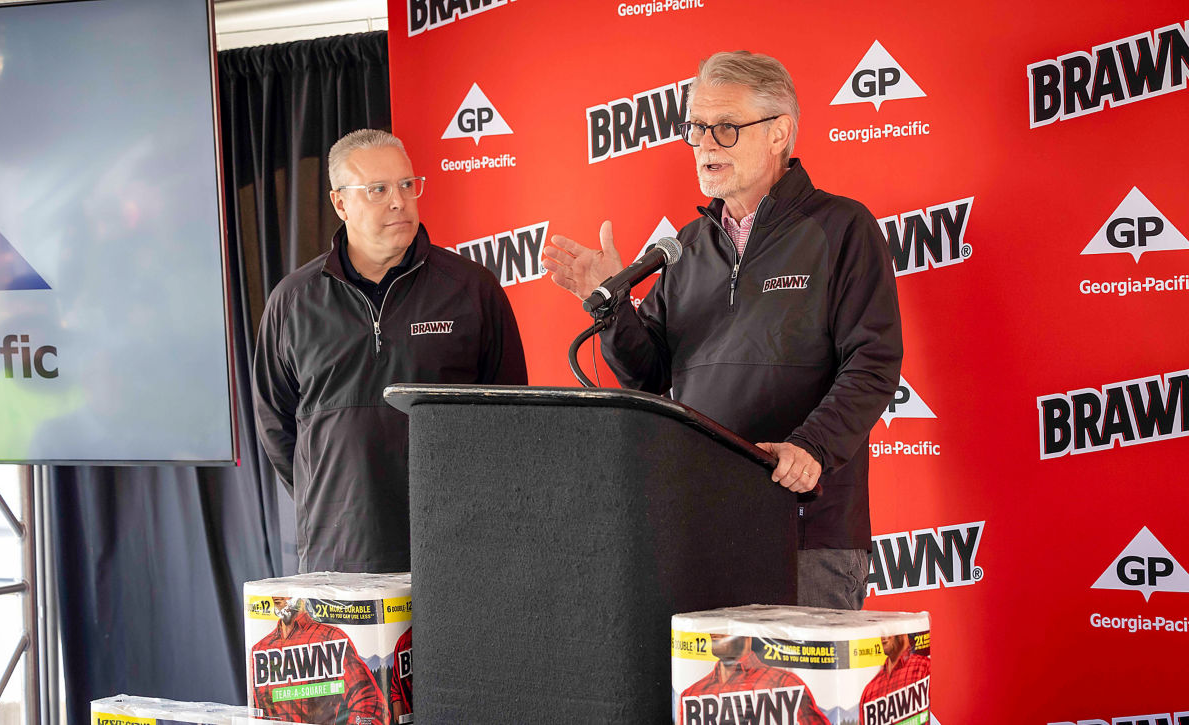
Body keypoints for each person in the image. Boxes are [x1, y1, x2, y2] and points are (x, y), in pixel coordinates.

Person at [542, 51, 901, 609]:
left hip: (806, 531)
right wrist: (611, 304)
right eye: (696, 128)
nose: (706, 144)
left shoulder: (842, 228)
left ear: (779, 133)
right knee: (709, 696)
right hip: (699, 526)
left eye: (726, 128)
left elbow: (873, 363)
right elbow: (648, 374)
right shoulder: (685, 245)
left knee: (801, 698)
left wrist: (811, 447)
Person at [253, 129, 528, 574]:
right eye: (378, 190)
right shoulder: (293, 302)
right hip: (338, 552)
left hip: (456, 549)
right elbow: (276, 426)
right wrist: (329, 492)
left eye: (406, 185)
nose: (399, 201)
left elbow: (510, 417)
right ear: (340, 203)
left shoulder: (471, 290)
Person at [250, 597, 388, 725]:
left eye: (286, 591)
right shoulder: (260, 649)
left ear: (302, 597)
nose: (277, 595)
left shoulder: (330, 638)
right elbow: (259, 714)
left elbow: (369, 702)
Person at [677, 634, 829, 725]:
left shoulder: (785, 684)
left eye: (724, 627)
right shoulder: (692, 694)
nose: (713, 633)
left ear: (747, 632)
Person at [858, 634, 931, 725]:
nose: (883, 636)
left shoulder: (924, 668)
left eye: (889, 629)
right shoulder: (869, 691)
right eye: (881, 630)